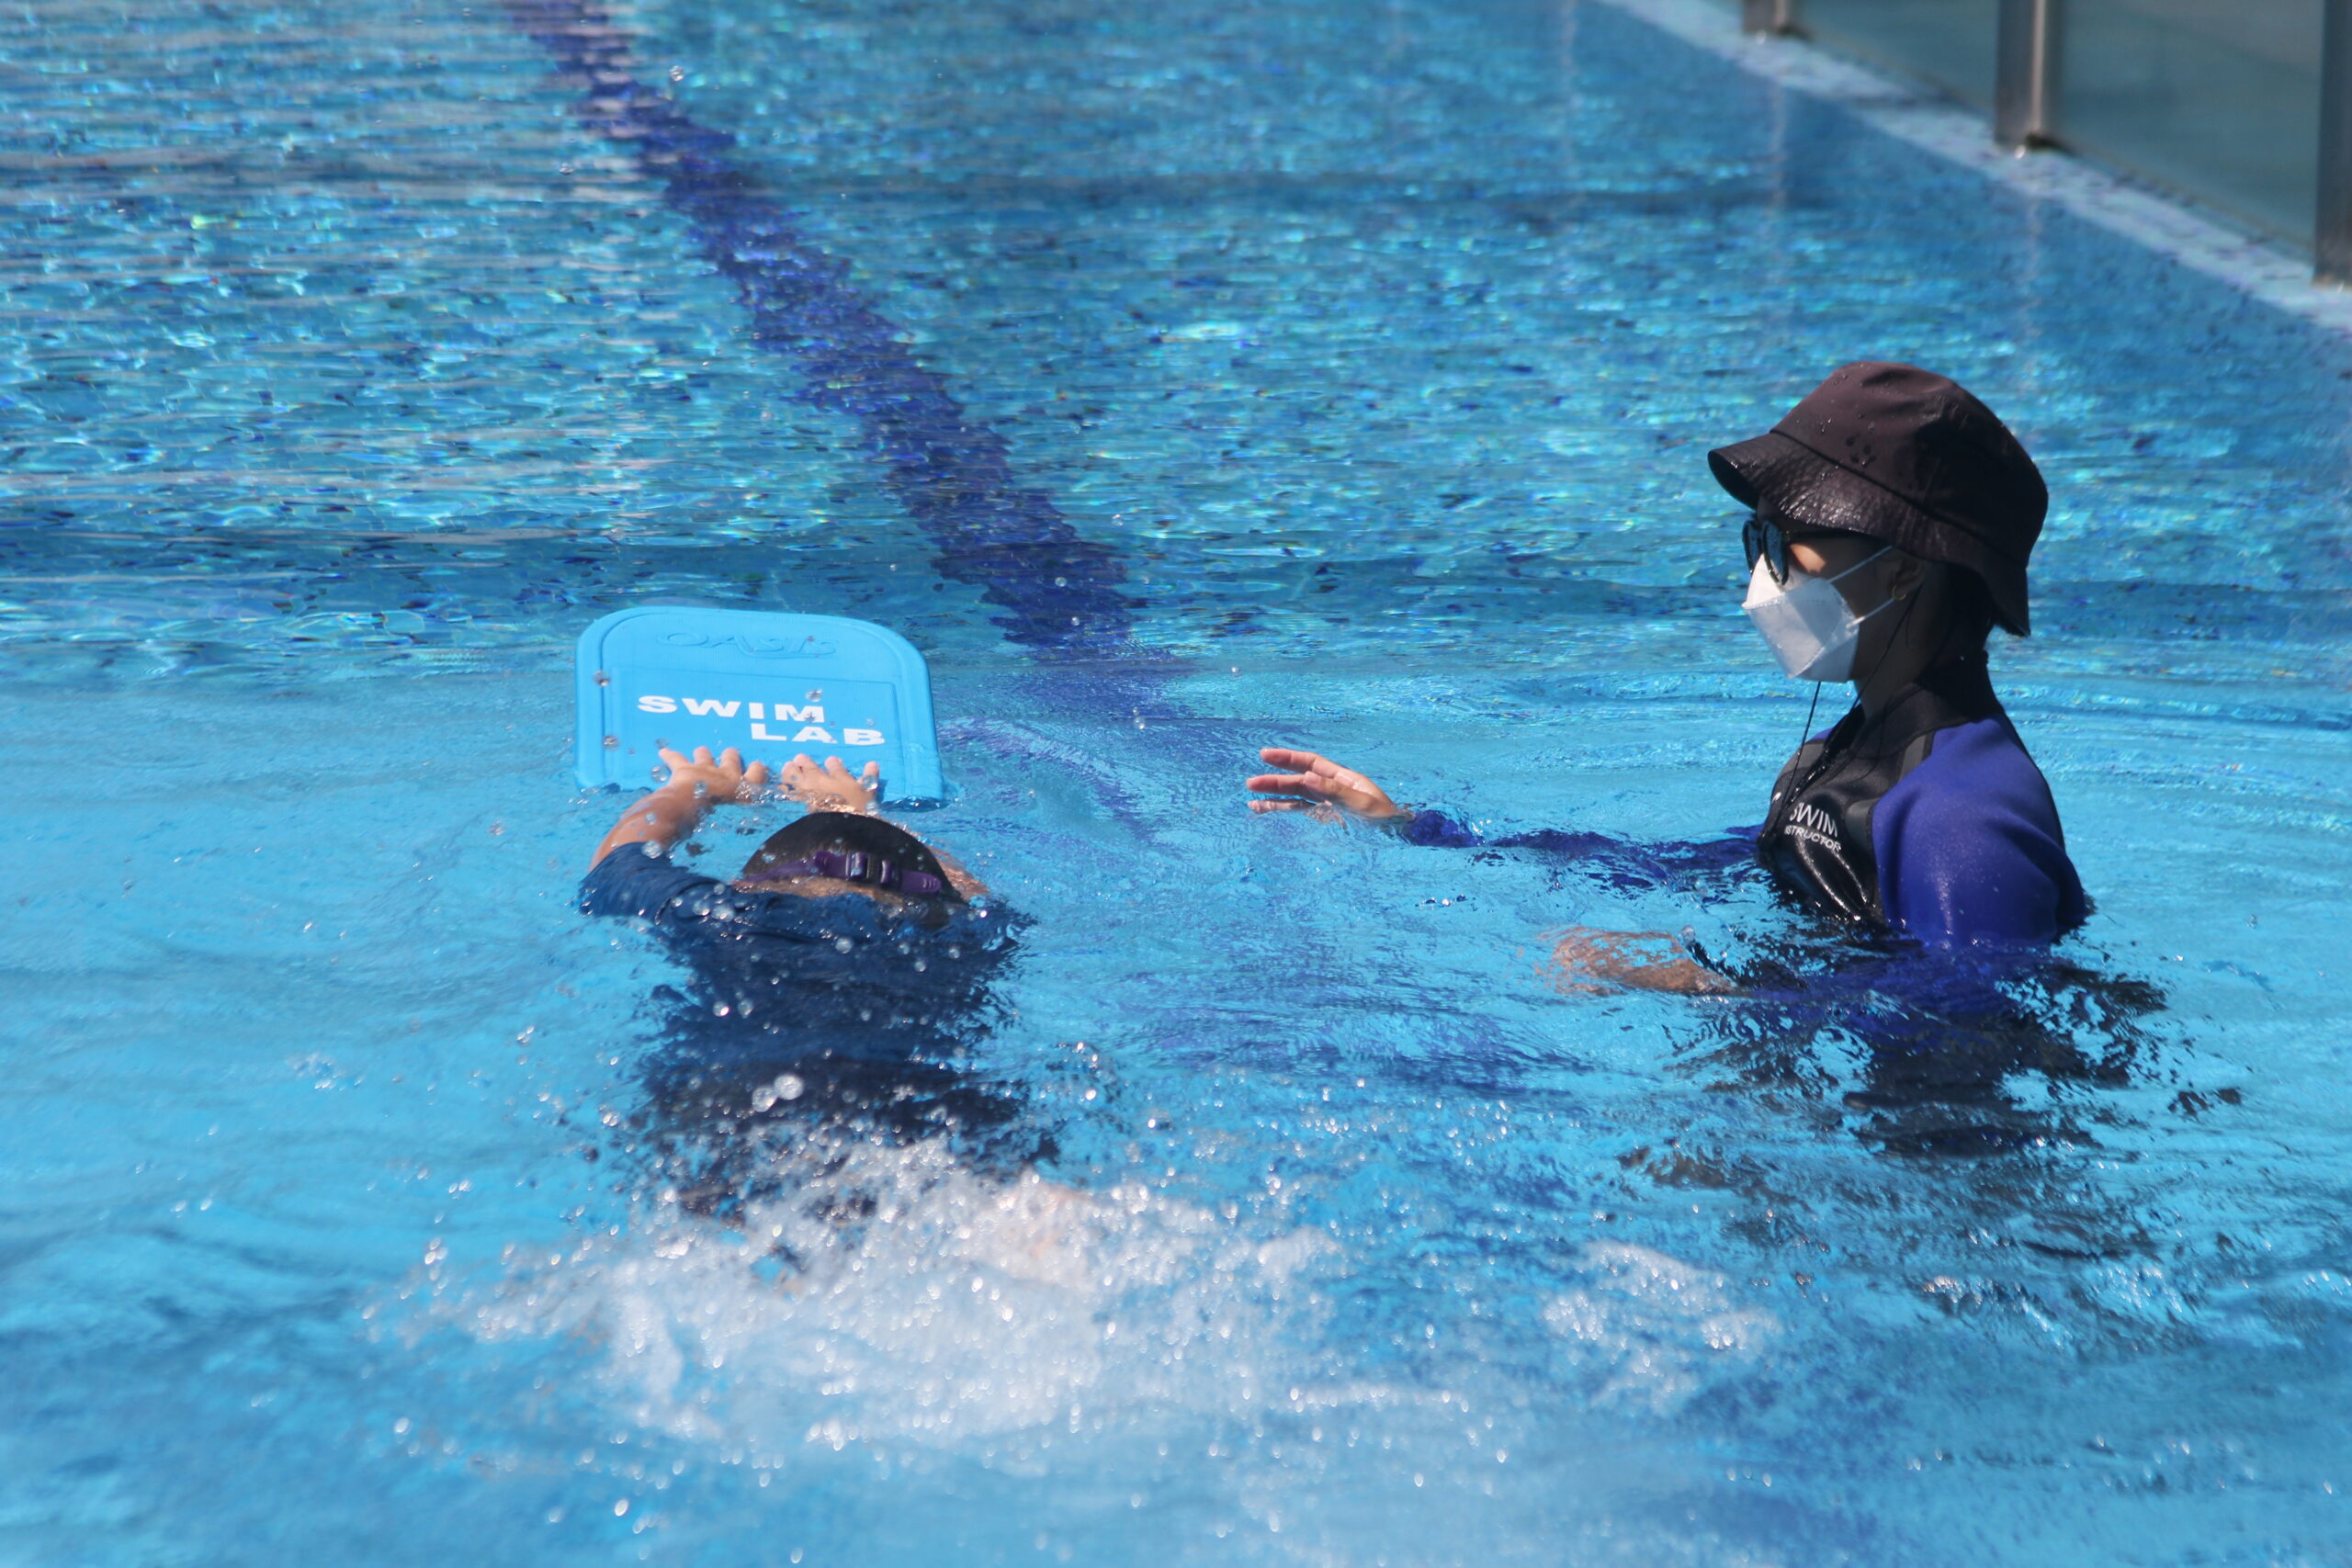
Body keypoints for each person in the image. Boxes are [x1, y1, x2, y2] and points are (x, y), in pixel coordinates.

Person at [1245, 362, 2089, 992]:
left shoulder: (1961, 819)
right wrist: (1413, 829)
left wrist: (1704, 984)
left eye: (1786, 542)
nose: (1764, 576)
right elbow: (1692, 869)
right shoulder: (1853, 754)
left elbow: (1977, 1038)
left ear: (1905, 570)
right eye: (1755, 540)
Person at [581, 746, 1038, 1224]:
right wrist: (855, 812)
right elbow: (972, 897)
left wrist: (692, 789)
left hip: (730, 1118)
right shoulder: (953, 936)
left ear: (744, 886)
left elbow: (615, 862)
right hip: (941, 1125)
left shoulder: (720, 917)